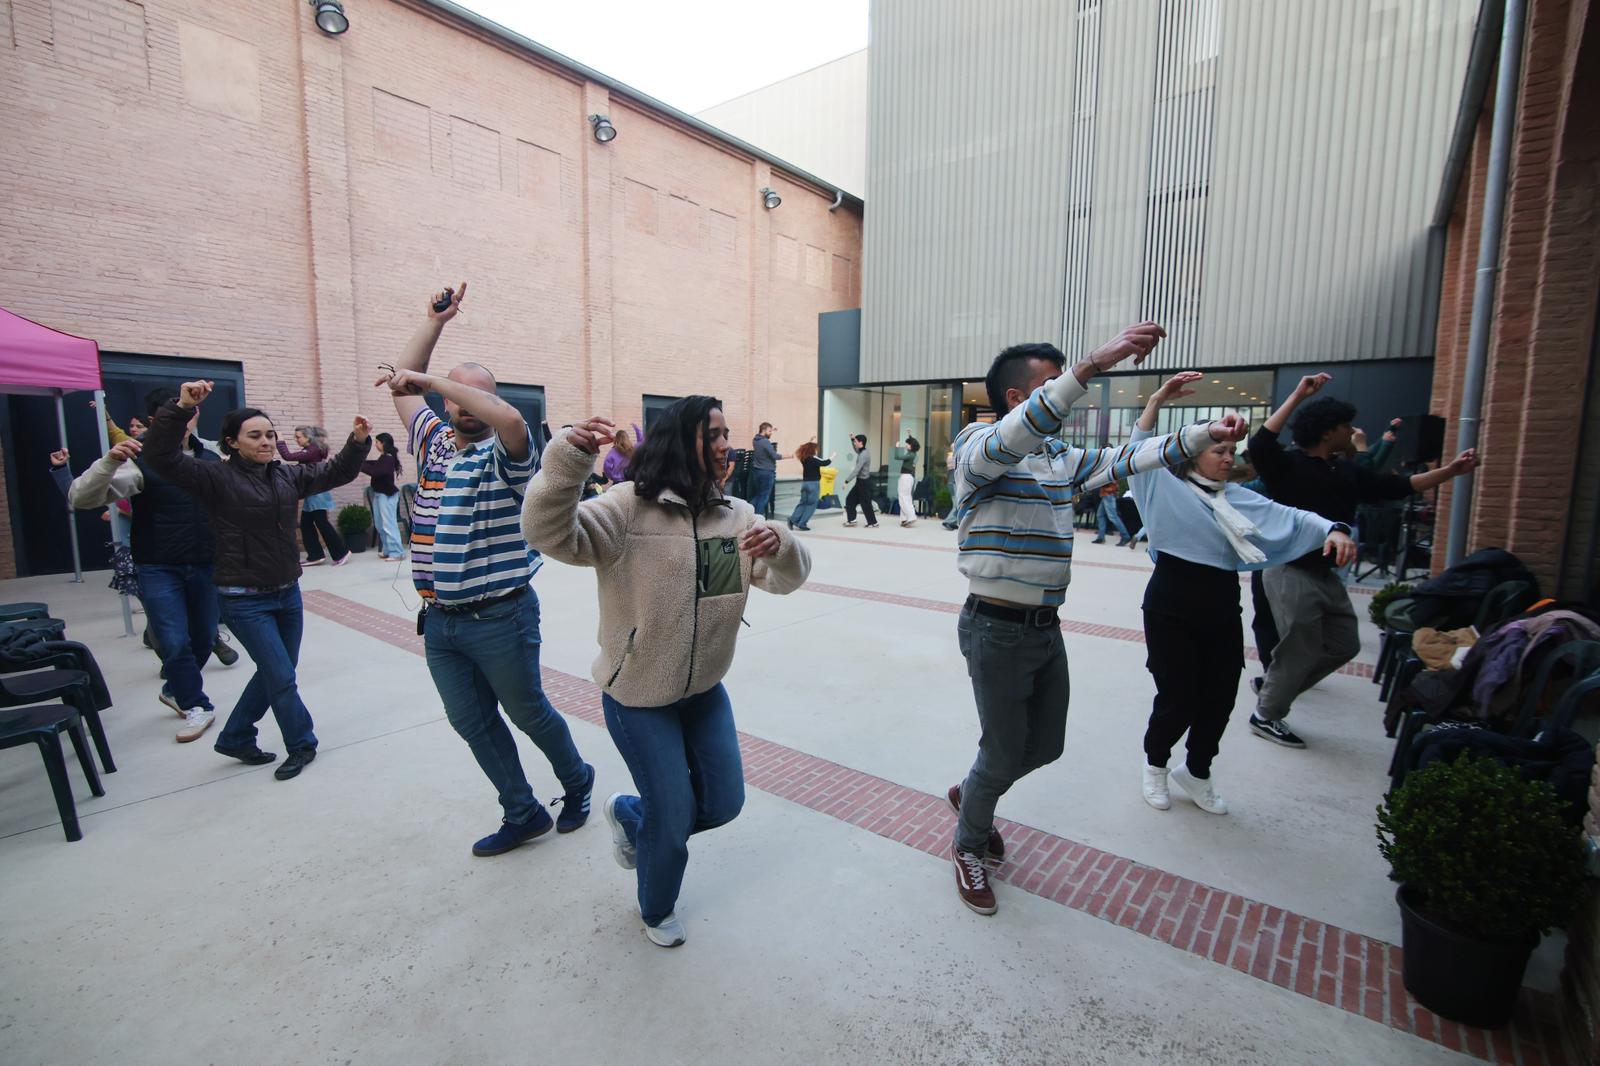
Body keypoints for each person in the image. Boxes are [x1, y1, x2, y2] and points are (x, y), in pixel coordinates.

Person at [945, 325, 1245, 916]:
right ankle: (968, 843)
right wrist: (1092, 364)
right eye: (1051, 383)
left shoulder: (1060, 459)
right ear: (1017, 397)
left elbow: (1129, 457)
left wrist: (1205, 432)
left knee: (1046, 746)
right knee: (1004, 752)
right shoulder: (979, 447)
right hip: (994, 627)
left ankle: (973, 791)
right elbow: (1015, 437)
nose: (1068, 392)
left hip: (1045, 629)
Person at [522, 397, 811, 947]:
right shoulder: (627, 508)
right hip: (637, 695)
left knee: (723, 802)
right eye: (714, 434)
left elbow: (782, 580)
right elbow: (547, 533)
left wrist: (784, 544)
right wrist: (565, 461)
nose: (728, 444)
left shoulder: (737, 515)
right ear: (681, 440)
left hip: (704, 691)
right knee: (674, 821)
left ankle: (634, 816)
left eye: (728, 433)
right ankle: (656, 908)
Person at [380, 283, 594, 858]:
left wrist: (436, 383)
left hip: (501, 617)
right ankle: (521, 812)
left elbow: (508, 418)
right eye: (456, 397)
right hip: (441, 623)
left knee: (528, 713)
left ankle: (578, 781)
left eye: (477, 396)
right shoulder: (432, 444)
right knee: (472, 722)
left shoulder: (507, 451)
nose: (464, 406)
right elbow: (403, 377)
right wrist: (435, 323)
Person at [1128, 373, 1356, 815]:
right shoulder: (1162, 487)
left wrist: (1335, 528)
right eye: (1219, 451)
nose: (1228, 459)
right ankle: (1155, 766)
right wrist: (1156, 399)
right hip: (1171, 602)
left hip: (1220, 602)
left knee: (1219, 696)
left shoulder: (1237, 498)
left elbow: (1294, 516)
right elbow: (1140, 447)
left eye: (1232, 452)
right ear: (1195, 453)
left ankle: (1196, 773)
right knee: (1177, 697)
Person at [144, 380, 371, 780]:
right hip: (244, 599)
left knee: (277, 671)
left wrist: (357, 442)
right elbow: (160, 456)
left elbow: (337, 470)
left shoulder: (286, 477)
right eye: (255, 435)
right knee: (281, 677)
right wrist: (181, 407)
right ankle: (302, 745)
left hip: (287, 594)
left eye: (270, 434)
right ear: (231, 443)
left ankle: (235, 736)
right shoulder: (214, 477)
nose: (266, 442)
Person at [1247, 374, 1479, 748]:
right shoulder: (1286, 466)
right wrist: (1297, 395)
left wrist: (1450, 472)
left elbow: (1401, 486)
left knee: (1344, 645)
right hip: (1288, 568)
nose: (1353, 430)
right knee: (1300, 647)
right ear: (1327, 432)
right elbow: (1260, 443)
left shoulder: (1347, 470)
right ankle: (1266, 714)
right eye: (1345, 426)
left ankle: (1275, 685)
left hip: (1325, 573)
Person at [66, 388, 231, 743]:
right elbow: (81, 497)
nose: (187, 420)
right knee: (173, 640)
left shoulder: (212, 456)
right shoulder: (137, 458)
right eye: (178, 413)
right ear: (158, 420)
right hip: (158, 565)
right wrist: (108, 461)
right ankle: (195, 703)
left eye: (192, 412)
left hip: (204, 562)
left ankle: (175, 686)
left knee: (204, 637)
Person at [278, 426, 351, 567]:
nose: (296, 439)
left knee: (322, 523)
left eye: (298, 437)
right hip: (313, 491)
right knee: (306, 524)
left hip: (318, 493)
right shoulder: (312, 450)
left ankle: (341, 553)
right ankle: (315, 555)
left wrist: (280, 440)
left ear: (308, 437)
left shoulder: (312, 450)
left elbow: (288, 456)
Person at [363, 432, 405, 560]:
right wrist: (361, 462)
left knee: (388, 524)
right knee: (380, 525)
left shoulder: (388, 459)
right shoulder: (383, 457)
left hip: (387, 495)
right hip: (379, 494)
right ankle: (388, 550)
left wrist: (360, 465)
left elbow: (376, 472)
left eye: (377, 442)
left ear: (383, 443)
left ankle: (397, 552)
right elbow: (374, 465)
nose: (375, 444)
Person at [787, 439, 833, 531]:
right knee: (812, 504)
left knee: (803, 503)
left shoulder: (804, 459)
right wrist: (832, 456)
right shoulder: (813, 460)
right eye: (815, 449)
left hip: (805, 484)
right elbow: (825, 463)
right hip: (813, 484)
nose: (817, 451)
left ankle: (792, 519)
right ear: (812, 450)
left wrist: (810, 442)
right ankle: (802, 523)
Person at [842, 434, 878, 528]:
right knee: (850, 499)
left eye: (856, 442)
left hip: (864, 483)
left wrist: (846, 481)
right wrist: (852, 439)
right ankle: (852, 520)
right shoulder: (862, 451)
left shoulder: (864, 455)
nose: (854, 443)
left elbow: (856, 470)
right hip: (860, 482)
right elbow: (855, 449)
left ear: (860, 442)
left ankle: (873, 522)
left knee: (865, 503)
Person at [748, 422, 783, 516]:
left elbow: (764, 435)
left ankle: (747, 512)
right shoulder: (765, 442)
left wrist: (772, 429)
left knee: (759, 494)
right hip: (766, 472)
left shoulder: (756, 440)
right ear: (764, 430)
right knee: (764, 497)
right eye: (769, 431)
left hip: (757, 471)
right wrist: (789, 456)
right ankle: (757, 518)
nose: (771, 433)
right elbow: (774, 455)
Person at [892, 436, 920, 527]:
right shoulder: (913, 454)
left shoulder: (910, 455)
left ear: (911, 446)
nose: (906, 445)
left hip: (905, 477)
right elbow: (913, 443)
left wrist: (897, 447)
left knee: (903, 497)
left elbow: (897, 457)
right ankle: (904, 519)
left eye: (908, 444)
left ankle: (911, 517)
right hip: (908, 477)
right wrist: (909, 435)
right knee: (906, 497)